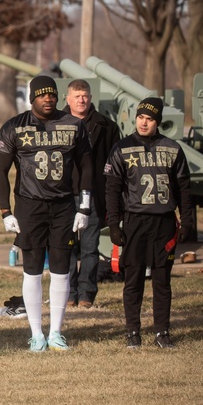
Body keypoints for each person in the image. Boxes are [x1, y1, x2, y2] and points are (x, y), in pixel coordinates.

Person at [0, 75, 93, 352]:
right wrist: (5, 211)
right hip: (29, 205)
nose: (47, 99)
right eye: (41, 95)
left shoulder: (74, 125)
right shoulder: (14, 127)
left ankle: (57, 332)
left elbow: (87, 167)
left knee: (63, 269)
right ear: (31, 97)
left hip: (63, 205)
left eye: (51, 94)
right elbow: (0, 171)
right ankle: (36, 333)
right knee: (32, 270)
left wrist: (84, 205)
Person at [104, 97, 194, 350]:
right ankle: (133, 331)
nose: (144, 123)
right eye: (141, 117)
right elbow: (111, 190)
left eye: (150, 119)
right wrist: (114, 224)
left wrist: (186, 221)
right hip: (134, 222)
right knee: (133, 280)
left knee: (162, 281)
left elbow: (184, 189)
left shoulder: (173, 148)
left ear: (158, 122)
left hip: (164, 223)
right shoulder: (121, 148)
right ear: (135, 119)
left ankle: (162, 332)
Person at [62, 79, 121, 307]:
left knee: (89, 247)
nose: (81, 100)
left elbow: (115, 166)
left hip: (93, 195)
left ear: (91, 97)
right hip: (63, 195)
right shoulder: (57, 124)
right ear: (68, 99)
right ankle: (68, 293)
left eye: (85, 95)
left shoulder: (106, 126)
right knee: (66, 247)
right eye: (76, 96)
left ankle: (86, 294)